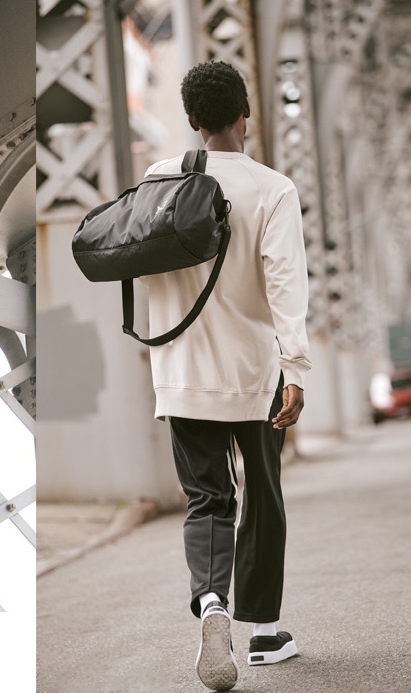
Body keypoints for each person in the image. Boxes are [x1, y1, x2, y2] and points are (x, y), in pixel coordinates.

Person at [142, 61, 312, 691]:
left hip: (182, 372)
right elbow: (285, 285)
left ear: (192, 121)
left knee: (208, 499)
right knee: (262, 494)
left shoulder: (159, 180)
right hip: (255, 370)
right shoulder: (273, 188)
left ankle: (211, 603)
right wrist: (294, 368)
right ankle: (264, 632)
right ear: (248, 114)